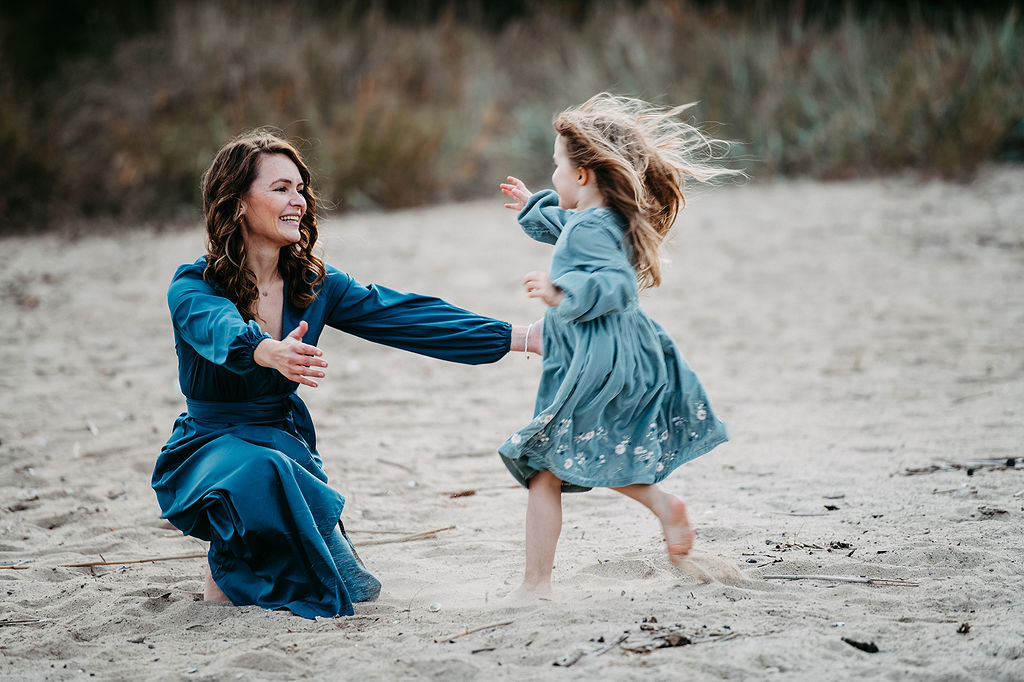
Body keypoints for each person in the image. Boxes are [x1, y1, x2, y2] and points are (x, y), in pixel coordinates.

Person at [152, 130, 540, 619]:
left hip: (281, 442)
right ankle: (229, 577)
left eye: (300, 189)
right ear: (236, 204)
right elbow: (213, 325)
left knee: (347, 584)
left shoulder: (315, 285)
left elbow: (405, 316)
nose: (297, 202)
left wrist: (521, 336)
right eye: (279, 189)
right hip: (210, 447)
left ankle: (291, 548)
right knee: (259, 471)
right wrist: (266, 349)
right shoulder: (194, 284)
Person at [497, 93, 740, 597]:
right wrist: (531, 207)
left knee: (546, 463)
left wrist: (561, 292)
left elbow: (615, 284)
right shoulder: (598, 219)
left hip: (597, 358)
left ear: (584, 175)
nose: (554, 175)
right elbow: (568, 229)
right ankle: (659, 506)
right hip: (602, 353)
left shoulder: (594, 227)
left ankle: (536, 583)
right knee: (568, 454)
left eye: (557, 167)